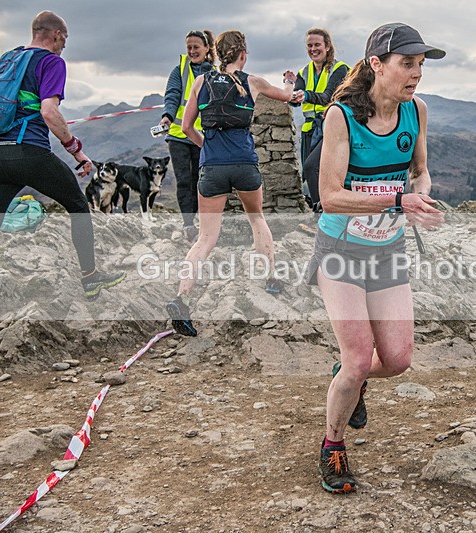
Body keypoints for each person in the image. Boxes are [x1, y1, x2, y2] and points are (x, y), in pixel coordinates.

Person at [308, 23, 445, 493]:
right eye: (407, 63)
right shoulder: (341, 117)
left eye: (421, 65)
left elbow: (421, 171)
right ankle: (333, 444)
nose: (417, 74)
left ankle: (348, 377)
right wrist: (398, 201)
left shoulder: (416, 111)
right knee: (357, 358)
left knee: (398, 359)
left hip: (387, 250)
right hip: (340, 251)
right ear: (376, 64)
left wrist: (421, 197)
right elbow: (329, 196)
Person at [0, 11, 125, 346]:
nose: (64, 46)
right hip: (29, 153)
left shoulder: (9, 59)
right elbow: (49, 112)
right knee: (78, 205)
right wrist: (77, 151)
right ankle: (90, 278)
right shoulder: (50, 62)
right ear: (55, 35)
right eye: (64, 40)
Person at [165, 30, 296, 337]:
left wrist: (207, 149)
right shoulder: (253, 82)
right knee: (257, 219)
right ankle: (271, 278)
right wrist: (290, 80)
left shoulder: (200, 82)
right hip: (245, 164)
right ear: (243, 54)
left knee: (205, 238)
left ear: (216, 54)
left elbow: (186, 127)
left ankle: (182, 299)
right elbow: (287, 96)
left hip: (212, 167)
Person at [159, 30, 216, 243]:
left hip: (203, 137)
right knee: (184, 180)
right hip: (178, 134)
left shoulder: (214, 73)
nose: (192, 51)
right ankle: (188, 224)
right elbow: (172, 95)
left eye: (196, 47)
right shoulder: (179, 70)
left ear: (207, 48)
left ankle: (204, 222)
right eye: (189, 47)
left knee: (201, 180)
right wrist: (167, 117)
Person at [289, 28, 349, 211]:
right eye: (309, 45)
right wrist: (291, 86)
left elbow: (328, 97)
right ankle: (321, 211)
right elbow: (295, 100)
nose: (313, 49)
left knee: (311, 167)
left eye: (317, 45)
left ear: (327, 46)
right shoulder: (304, 72)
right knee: (312, 172)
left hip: (332, 128)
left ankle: (324, 210)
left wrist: (305, 95)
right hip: (310, 130)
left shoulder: (340, 69)